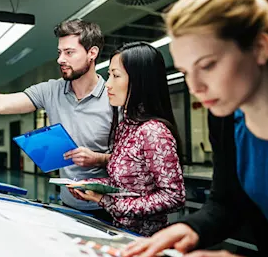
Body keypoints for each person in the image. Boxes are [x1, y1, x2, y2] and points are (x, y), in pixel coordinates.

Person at [122, 0, 268, 257]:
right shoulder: (226, 117)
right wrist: (190, 228)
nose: (196, 87)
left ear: (260, 47)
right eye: (185, 72)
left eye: (207, 65)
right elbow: (227, 201)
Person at [0, 19, 114, 221]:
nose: (60, 59)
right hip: (69, 205)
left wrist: (98, 158)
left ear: (92, 53)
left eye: (69, 52)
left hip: (107, 209)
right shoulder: (51, 90)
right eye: (59, 52)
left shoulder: (114, 97)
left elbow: (136, 161)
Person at [66, 42, 185, 236]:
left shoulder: (154, 132)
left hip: (145, 241)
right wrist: (90, 185)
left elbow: (173, 197)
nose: (108, 83)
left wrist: (106, 201)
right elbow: (128, 184)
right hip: (119, 232)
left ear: (139, 81)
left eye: (116, 75)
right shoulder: (125, 127)